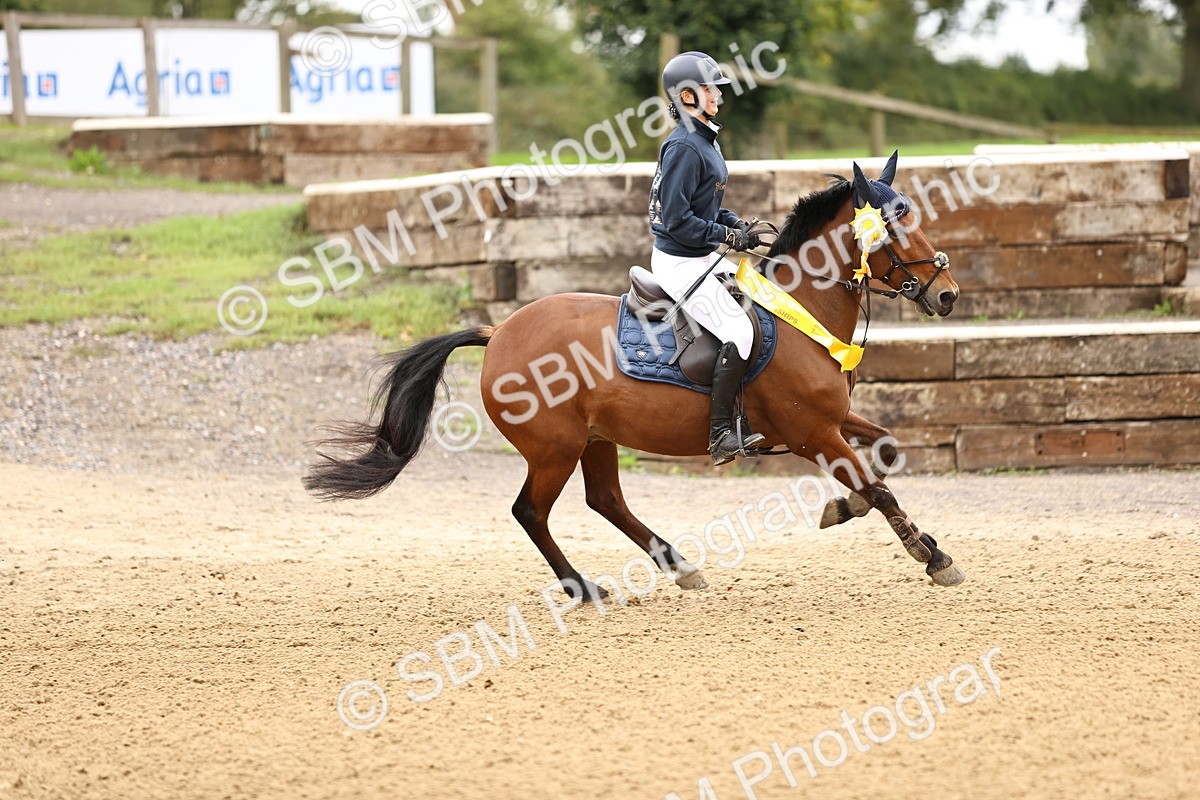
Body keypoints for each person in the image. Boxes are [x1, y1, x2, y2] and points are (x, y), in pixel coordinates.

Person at [648, 50, 766, 466]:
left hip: (700, 255)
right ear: (687, 96)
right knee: (740, 331)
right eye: (710, 88)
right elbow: (678, 221)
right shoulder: (685, 146)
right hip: (680, 261)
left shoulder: (702, 140)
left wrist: (736, 225)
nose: (718, 95)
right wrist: (727, 236)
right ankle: (720, 435)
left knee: (766, 299)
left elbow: (705, 206)